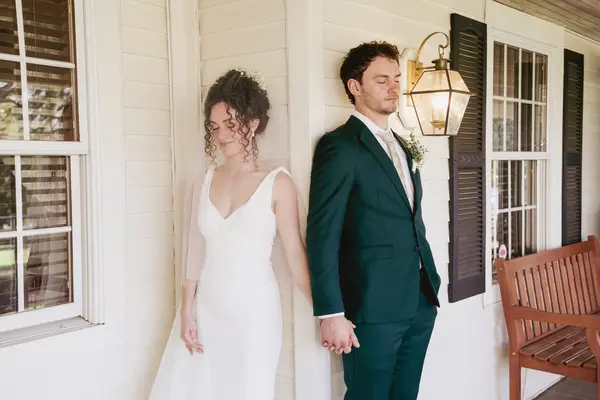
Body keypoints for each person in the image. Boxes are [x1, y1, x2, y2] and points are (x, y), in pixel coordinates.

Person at [149, 69, 312, 400]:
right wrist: (186, 310)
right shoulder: (203, 181)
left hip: (254, 314)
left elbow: (295, 254)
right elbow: (194, 251)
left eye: (230, 123)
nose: (221, 134)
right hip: (207, 308)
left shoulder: (278, 183)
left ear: (252, 123)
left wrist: (326, 310)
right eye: (215, 126)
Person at [306, 41, 441, 400]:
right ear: (355, 86)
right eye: (382, 80)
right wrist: (330, 313)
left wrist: (428, 290)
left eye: (396, 79)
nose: (394, 88)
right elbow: (323, 234)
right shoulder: (340, 146)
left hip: (420, 300)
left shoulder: (402, 145)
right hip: (372, 307)